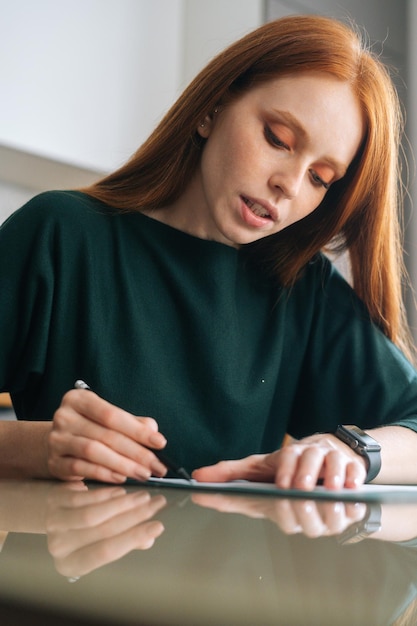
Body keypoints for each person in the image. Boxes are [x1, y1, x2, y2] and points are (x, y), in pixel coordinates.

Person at [1, 14, 417, 490]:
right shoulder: (60, 235)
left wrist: (353, 452)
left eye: (321, 178)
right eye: (278, 139)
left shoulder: (301, 288)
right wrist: (38, 446)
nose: (290, 185)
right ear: (211, 110)